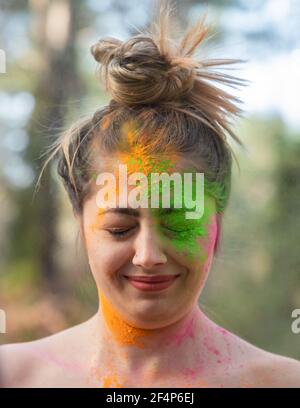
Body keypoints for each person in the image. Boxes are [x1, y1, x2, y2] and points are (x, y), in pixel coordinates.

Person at [1, 2, 300, 388]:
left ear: (217, 228)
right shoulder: (13, 376)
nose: (148, 256)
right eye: (120, 228)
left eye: (178, 223)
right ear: (83, 225)